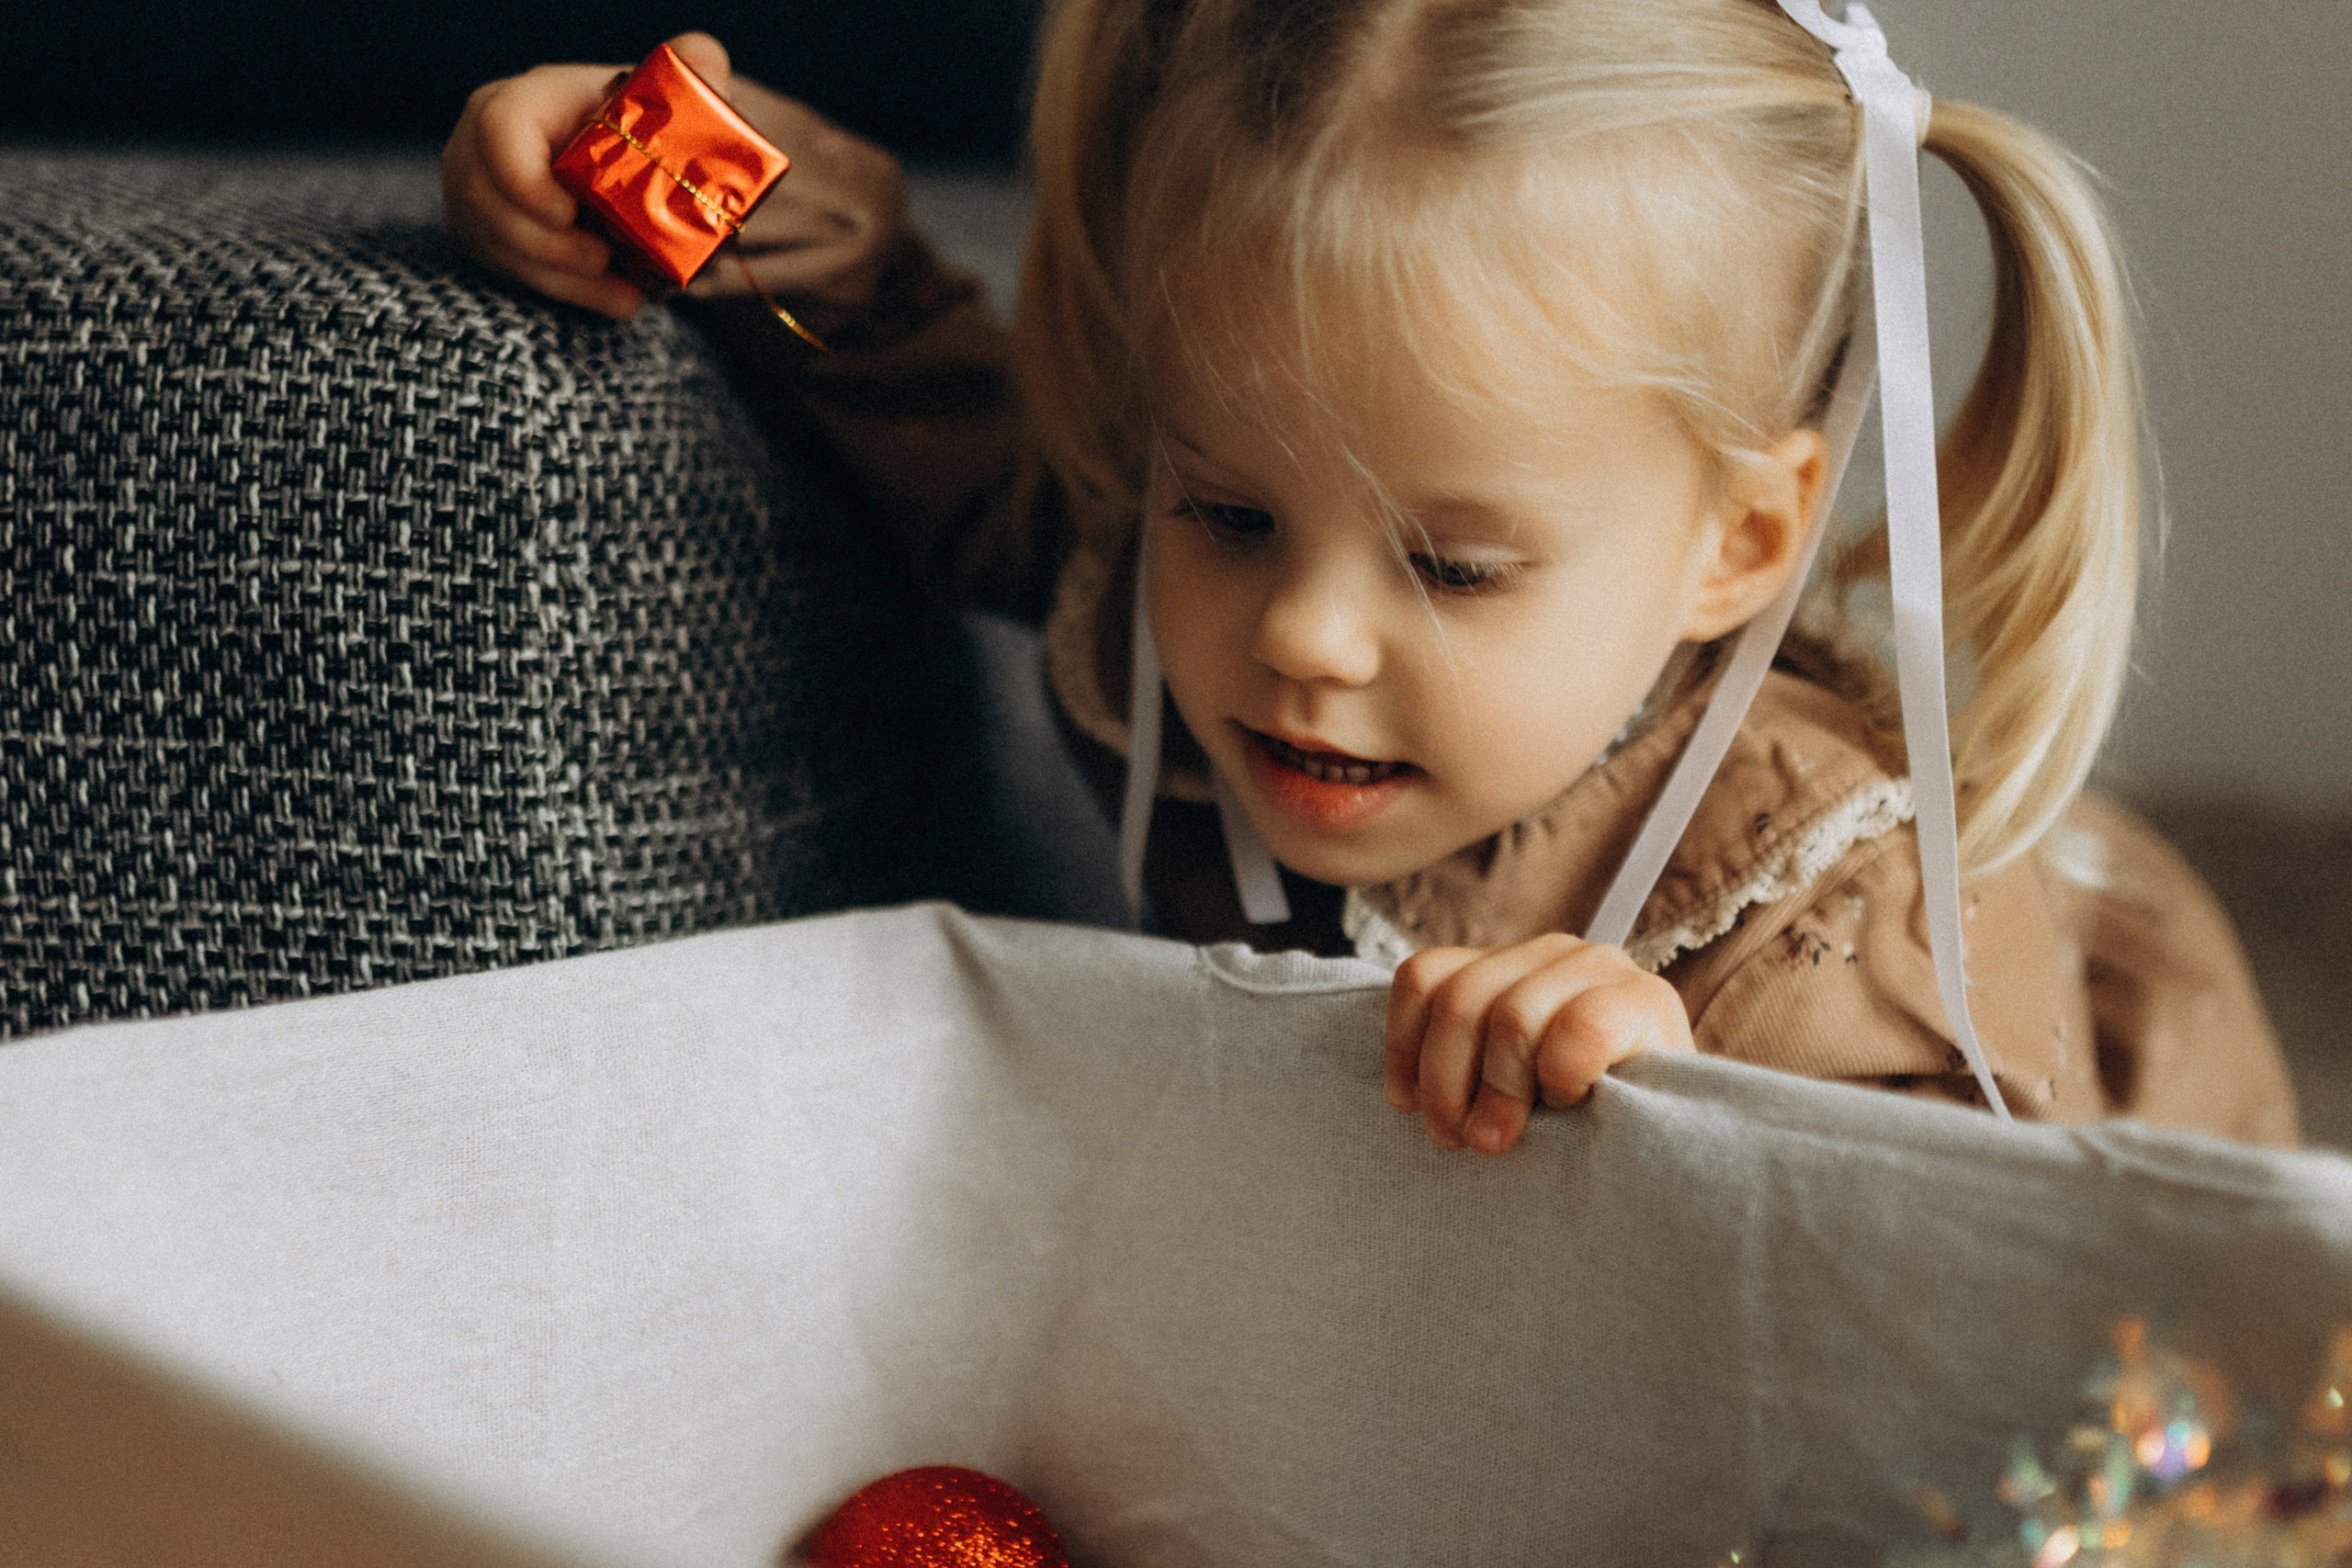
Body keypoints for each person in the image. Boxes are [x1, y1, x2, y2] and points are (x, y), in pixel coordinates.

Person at [441, 4, 2297, 1156]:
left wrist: (1712, 1111)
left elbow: (1973, 1294)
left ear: (1736, 540)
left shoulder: (1833, 900)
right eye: (1225, 512)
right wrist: (647, 161)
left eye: (1450, 565)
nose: (1300, 636)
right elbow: (913, 368)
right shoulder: (1156, 604)